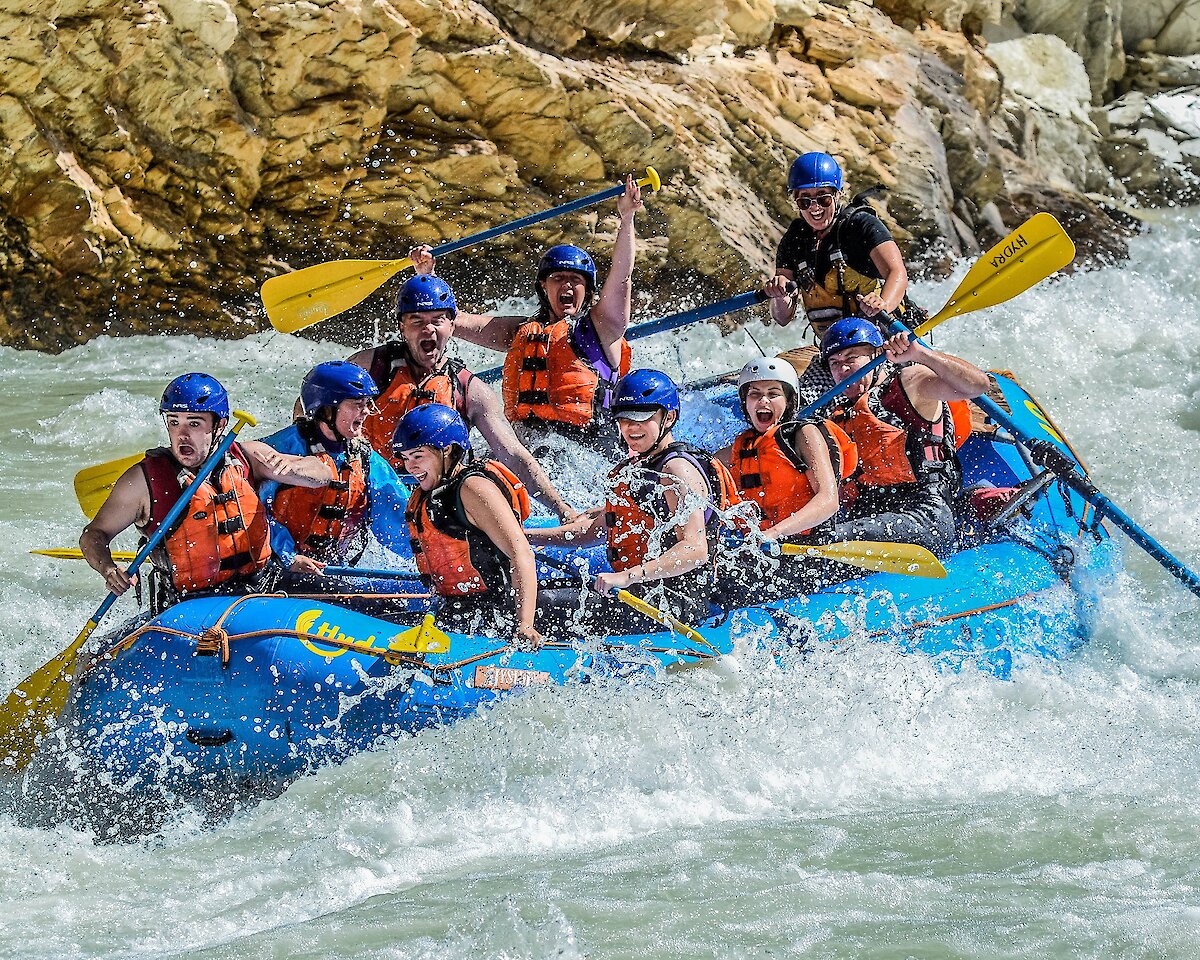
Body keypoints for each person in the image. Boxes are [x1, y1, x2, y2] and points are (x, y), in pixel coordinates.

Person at [408, 175, 643, 458]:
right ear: (544, 286)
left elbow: (622, 277)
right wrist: (427, 278)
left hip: (588, 450)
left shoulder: (602, 328)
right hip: (528, 447)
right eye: (558, 278)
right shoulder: (521, 330)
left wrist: (627, 218)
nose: (567, 285)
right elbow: (452, 321)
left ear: (588, 289)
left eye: (575, 279)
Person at [79, 373, 334, 613]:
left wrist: (294, 467)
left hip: (262, 586)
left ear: (220, 425)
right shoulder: (144, 481)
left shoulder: (245, 457)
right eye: (174, 423)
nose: (182, 435)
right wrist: (108, 568)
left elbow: (322, 473)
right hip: (193, 606)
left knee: (360, 600)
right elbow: (94, 535)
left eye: (194, 423)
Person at [348, 274, 576, 520]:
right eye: (416, 321)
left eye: (438, 320)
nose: (428, 329)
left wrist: (561, 509)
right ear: (402, 327)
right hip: (373, 490)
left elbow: (514, 455)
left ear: (452, 326)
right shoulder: (369, 368)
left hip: (435, 503)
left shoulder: (470, 389)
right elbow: (310, 409)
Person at [530, 369, 736, 632]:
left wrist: (626, 577)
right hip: (642, 592)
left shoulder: (677, 471)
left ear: (669, 417)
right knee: (532, 591)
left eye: (642, 419)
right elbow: (592, 532)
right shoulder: (641, 467)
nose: (631, 428)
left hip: (674, 605)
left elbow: (695, 550)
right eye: (624, 419)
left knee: (540, 604)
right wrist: (528, 537)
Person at [820, 318, 988, 556]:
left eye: (851, 359)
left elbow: (977, 385)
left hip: (924, 514)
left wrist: (921, 355)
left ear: (876, 357)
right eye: (834, 363)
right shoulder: (834, 416)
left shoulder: (908, 384)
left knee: (827, 539)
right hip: (869, 516)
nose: (842, 370)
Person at [763, 151, 914, 406]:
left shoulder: (860, 226)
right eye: (805, 202)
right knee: (800, 409)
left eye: (823, 199)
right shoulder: (794, 241)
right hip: (834, 356)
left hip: (885, 346)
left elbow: (897, 272)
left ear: (837, 195)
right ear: (795, 202)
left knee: (881, 406)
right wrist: (779, 295)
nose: (815, 208)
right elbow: (782, 317)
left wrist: (883, 303)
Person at [394, 404, 541, 646]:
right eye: (406, 458)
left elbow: (521, 553)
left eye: (418, 456)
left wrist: (524, 624)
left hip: (495, 611)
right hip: (458, 607)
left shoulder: (473, 488)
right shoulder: (430, 492)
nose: (410, 467)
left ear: (448, 451)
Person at [258, 361, 412, 578]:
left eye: (368, 403)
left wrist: (429, 554)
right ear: (327, 409)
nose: (367, 411)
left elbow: (399, 518)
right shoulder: (285, 447)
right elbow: (251, 508)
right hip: (277, 566)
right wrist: (286, 555)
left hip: (329, 569)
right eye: (357, 404)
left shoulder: (364, 459)